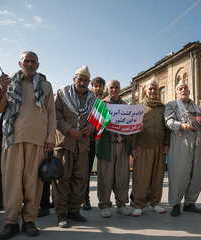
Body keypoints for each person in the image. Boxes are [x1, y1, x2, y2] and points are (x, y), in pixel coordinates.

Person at [0, 51, 56, 239]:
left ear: (38, 65)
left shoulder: (45, 86)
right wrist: (2, 90)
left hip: (37, 140)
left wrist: (50, 138)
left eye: (33, 61)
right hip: (12, 140)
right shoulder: (9, 83)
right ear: (20, 63)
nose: (29, 64)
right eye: (26, 61)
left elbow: (51, 114)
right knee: (12, 184)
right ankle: (11, 223)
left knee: (32, 184)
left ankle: (29, 221)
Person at [52, 65, 95, 228]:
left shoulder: (93, 99)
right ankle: (61, 213)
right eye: (80, 80)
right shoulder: (62, 94)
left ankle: (74, 211)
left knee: (80, 179)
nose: (83, 83)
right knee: (62, 179)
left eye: (86, 81)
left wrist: (90, 128)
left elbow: (97, 119)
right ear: (74, 80)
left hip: (83, 146)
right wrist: (69, 130)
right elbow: (54, 116)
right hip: (65, 143)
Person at [164, 81, 201, 217]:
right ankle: (176, 204)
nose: (183, 90)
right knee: (179, 173)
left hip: (198, 142)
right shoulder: (172, 105)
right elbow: (168, 121)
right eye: (180, 88)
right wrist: (182, 125)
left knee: (196, 174)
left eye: (186, 88)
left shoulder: (196, 106)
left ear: (189, 91)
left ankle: (190, 203)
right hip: (181, 141)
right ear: (176, 92)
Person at [131, 78, 170, 217]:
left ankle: (155, 203)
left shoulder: (163, 108)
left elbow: (167, 128)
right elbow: (134, 129)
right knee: (141, 177)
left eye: (155, 89)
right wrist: (133, 148)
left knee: (157, 176)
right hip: (143, 146)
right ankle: (139, 204)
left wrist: (166, 144)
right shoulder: (139, 107)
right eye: (150, 88)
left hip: (159, 146)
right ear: (145, 91)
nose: (153, 91)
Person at [95, 79, 131, 218]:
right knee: (105, 176)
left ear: (120, 88)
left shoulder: (125, 105)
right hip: (106, 146)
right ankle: (104, 204)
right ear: (107, 89)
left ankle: (121, 204)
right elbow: (94, 125)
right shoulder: (101, 104)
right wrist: (103, 121)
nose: (114, 90)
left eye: (116, 87)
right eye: (111, 87)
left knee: (122, 176)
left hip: (122, 145)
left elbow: (130, 124)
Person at [83, 76, 106, 211]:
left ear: (103, 88)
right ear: (92, 87)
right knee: (86, 170)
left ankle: (104, 201)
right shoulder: (87, 100)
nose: (98, 88)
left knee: (104, 172)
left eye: (100, 86)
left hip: (103, 141)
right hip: (89, 139)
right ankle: (85, 198)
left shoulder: (106, 103)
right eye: (95, 86)